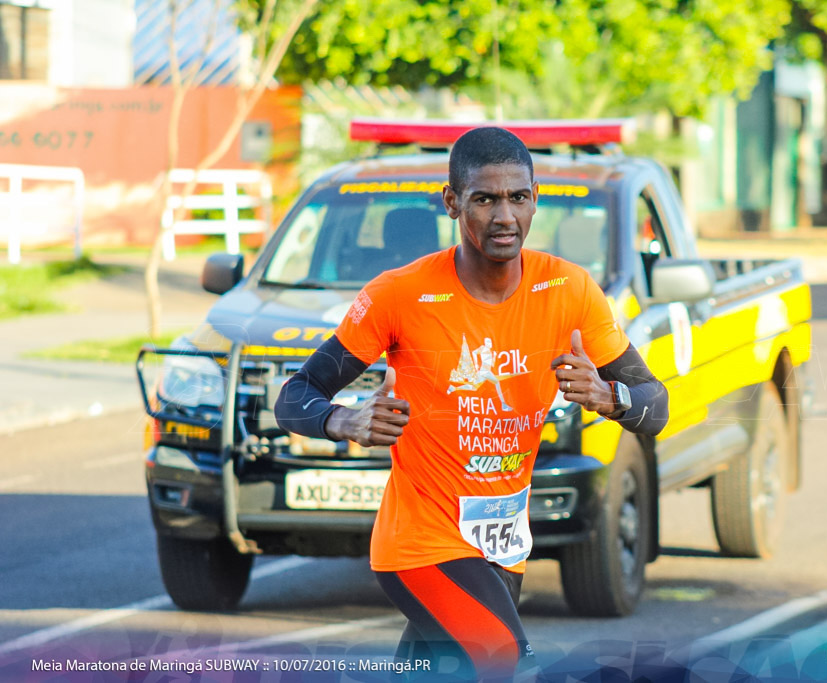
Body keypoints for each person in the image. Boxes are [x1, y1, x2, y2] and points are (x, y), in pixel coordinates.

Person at [275, 127, 668, 680]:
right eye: (484, 199)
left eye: (518, 198)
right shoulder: (400, 295)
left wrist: (608, 396)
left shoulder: (570, 291)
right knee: (502, 657)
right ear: (452, 203)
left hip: (504, 544)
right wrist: (346, 419)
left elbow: (657, 403)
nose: (504, 216)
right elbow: (295, 396)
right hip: (422, 544)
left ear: (535, 199)